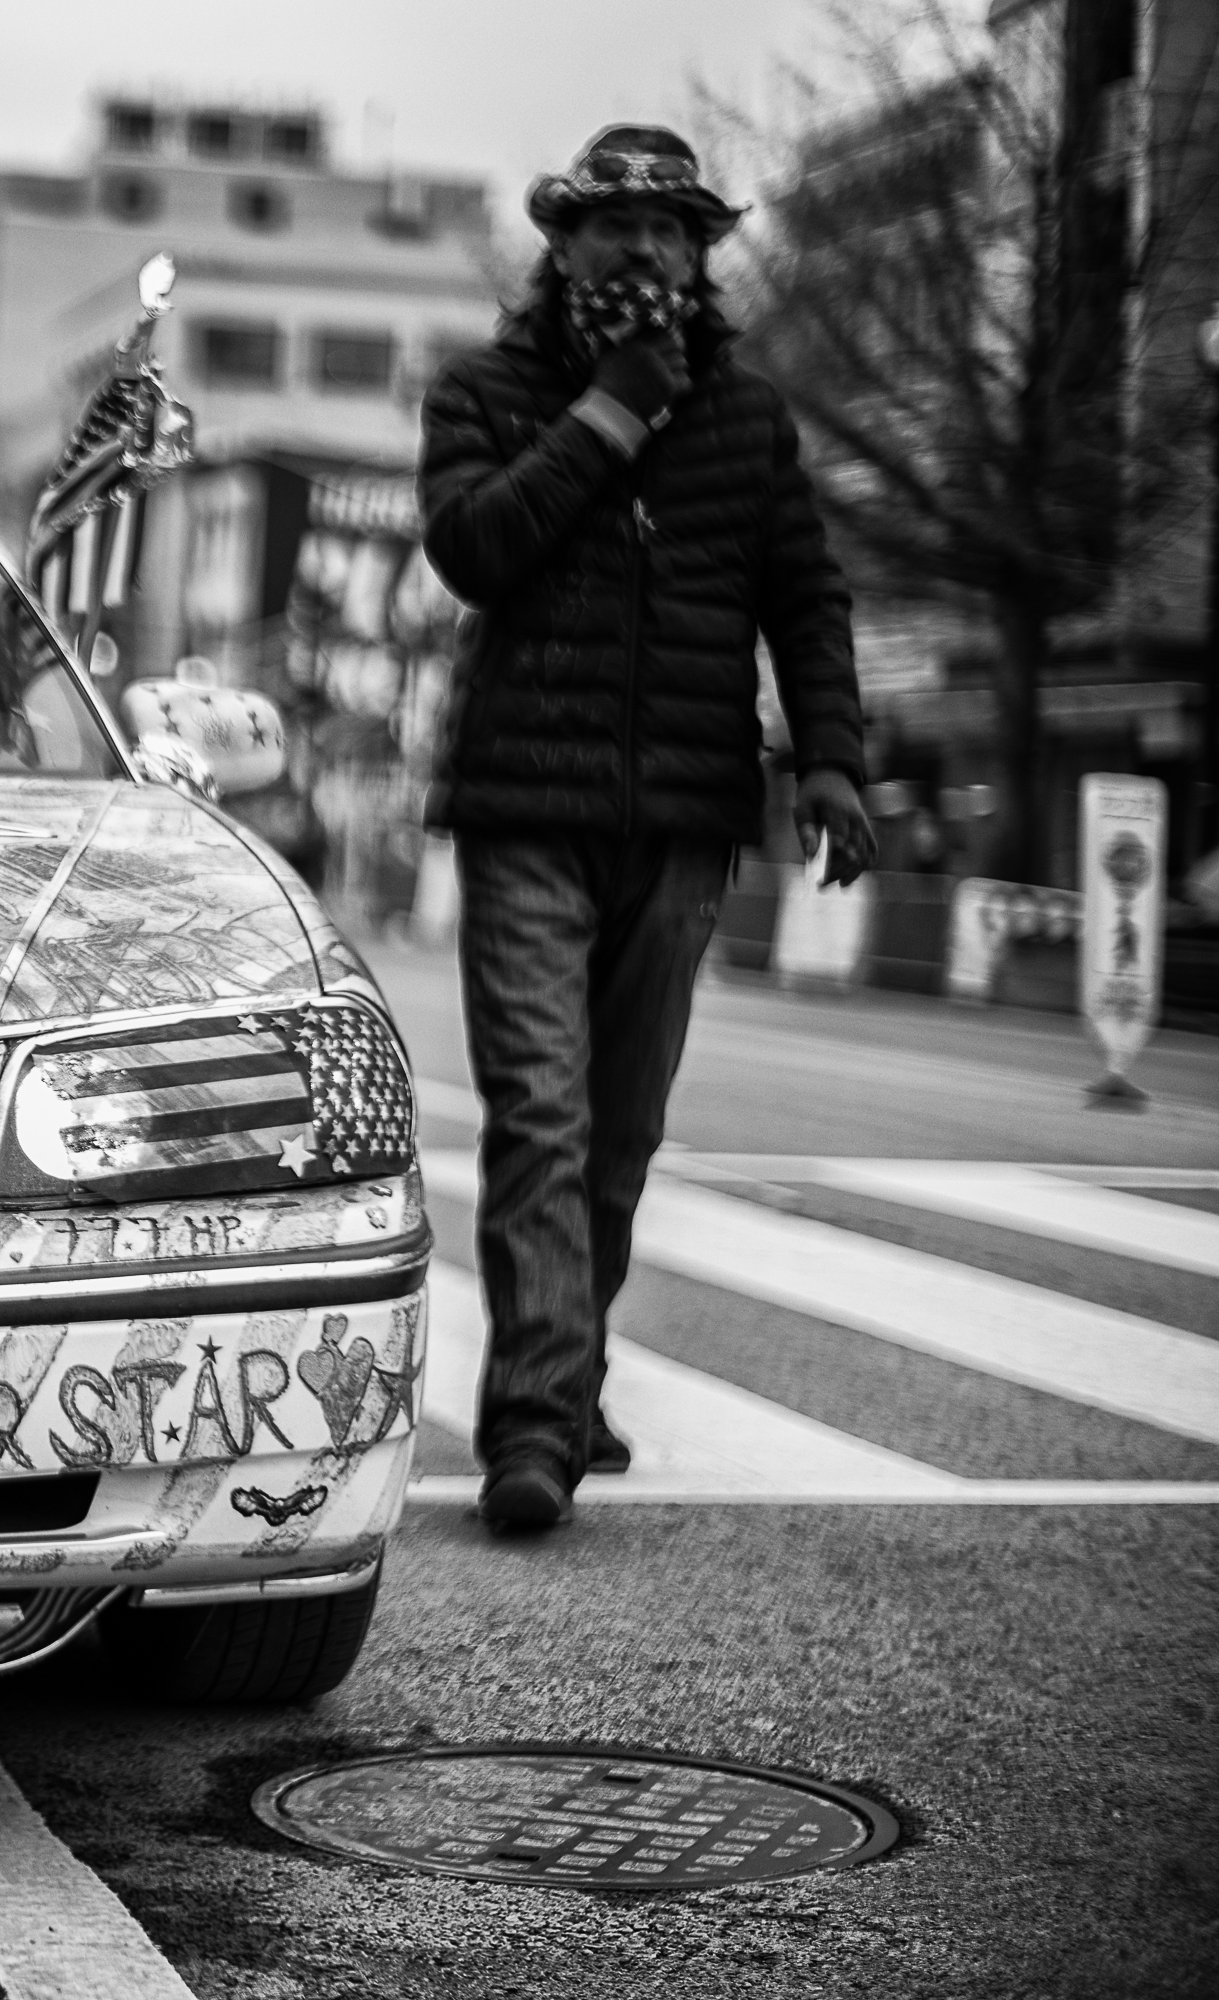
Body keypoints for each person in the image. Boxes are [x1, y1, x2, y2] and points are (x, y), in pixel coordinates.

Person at [416, 125, 875, 1533]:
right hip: (524, 809)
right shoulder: (487, 391)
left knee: (618, 1138)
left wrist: (832, 760)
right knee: (541, 1121)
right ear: (561, 246)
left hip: (682, 817)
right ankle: (534, 1427)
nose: (644, 250)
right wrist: (607, 416)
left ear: (700, 255)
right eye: (615, 226)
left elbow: (805, 596)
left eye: (673, 229)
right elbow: (473, 549)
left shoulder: (748, 419)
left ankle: (570, 1373)